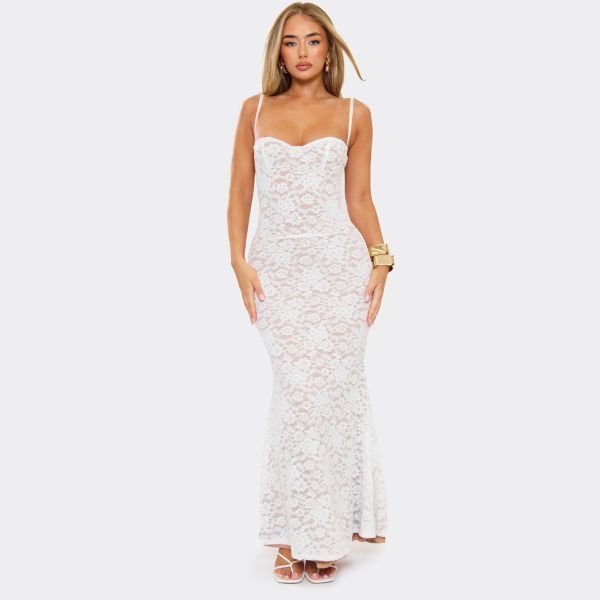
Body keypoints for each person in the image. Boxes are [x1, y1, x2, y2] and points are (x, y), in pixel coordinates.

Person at [227, 2, 393, 584]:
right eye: (291, 42)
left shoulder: (354, 115)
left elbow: (359, 199)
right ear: (278, 51)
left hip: (338, 274)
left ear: (329, 50)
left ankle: (321, 536)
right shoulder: (254, 110)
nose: (302, 52)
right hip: (277, 274)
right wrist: (238, 261)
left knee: (329, 399)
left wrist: (382, 258)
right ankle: (289, 531)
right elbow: (239, 193)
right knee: (297, 393)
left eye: (313, 41)